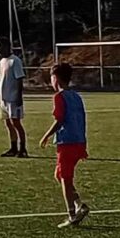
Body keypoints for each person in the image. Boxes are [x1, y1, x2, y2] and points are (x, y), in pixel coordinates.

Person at [38, 63, 91, 228]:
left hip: (67, 142)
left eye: (51, 78)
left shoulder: (59, 97)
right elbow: (82, 119)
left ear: (56, 79)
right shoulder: (76, 96)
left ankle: (72, 215)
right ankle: (78, 204)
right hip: (78, 141)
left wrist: (46, 135)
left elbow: (59, 120)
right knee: (59, 175)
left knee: (65, 178)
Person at [0, 44, 28, 158]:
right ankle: (13, 148)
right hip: (4, 99)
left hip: (13, 98)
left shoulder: (15, 61)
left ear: (6, 47)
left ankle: (23, 149)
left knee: (16, 123)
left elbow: (19, 79)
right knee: (8, 123)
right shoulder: (2, 61)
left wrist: (19, 96)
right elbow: (1, 79)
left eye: (0, 47)